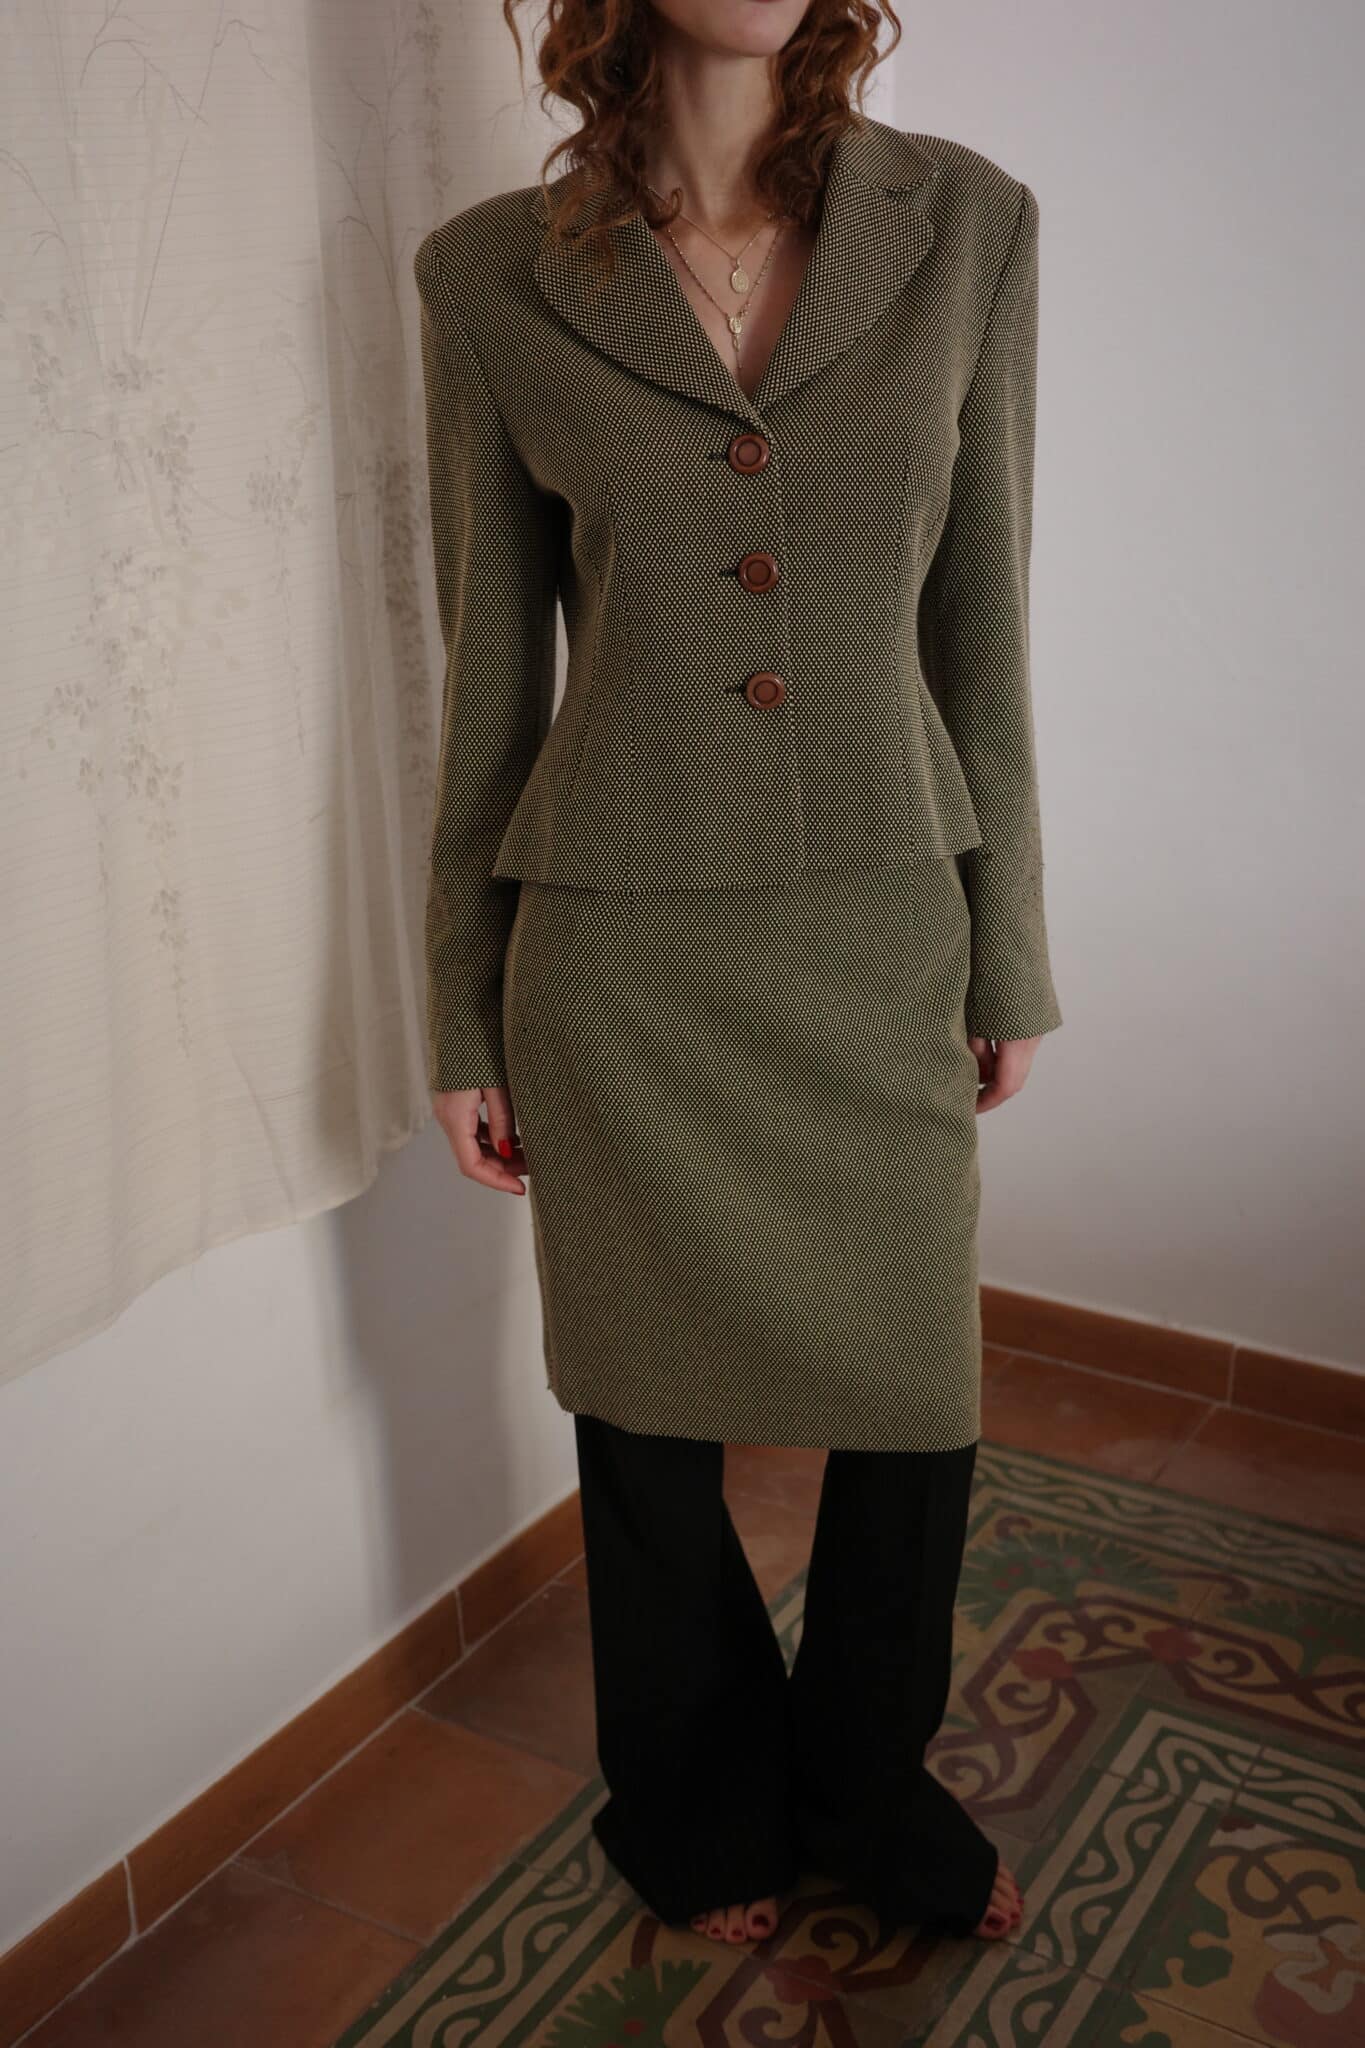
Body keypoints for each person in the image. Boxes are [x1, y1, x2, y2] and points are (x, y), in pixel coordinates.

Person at [413, 0, 1063, 1950]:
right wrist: (457, 999)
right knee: (638, 1412)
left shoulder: (967, 226)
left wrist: (1009, 947)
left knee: (910, 1401)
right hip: (616, 952)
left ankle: (865, 1795)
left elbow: (983, 624)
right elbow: (486, 674)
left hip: (879, 921)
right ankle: (694, 1811)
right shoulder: (488, 279)